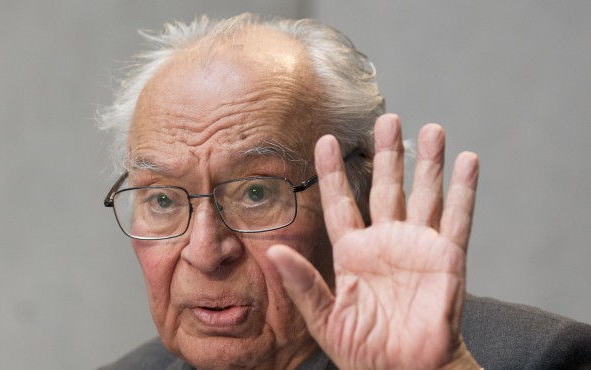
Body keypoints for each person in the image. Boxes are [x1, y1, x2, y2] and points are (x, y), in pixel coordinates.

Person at [98, 13, 591, 370]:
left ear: (362, 196)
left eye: (255, 193)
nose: (206, 252)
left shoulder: (538, 357)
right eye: (161, 199)